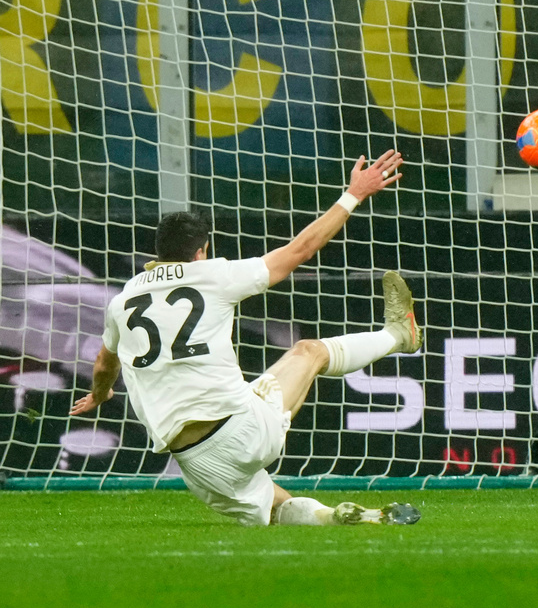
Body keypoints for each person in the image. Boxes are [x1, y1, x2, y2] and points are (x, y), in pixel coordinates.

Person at [71, 150, 424, 526]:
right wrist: (353, 194)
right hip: (244, 429)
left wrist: (99, 394)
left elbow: (103, 364)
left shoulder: (122, 300)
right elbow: (300, 249)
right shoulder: (215, 275)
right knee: (309, 351)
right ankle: (399, 334)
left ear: (158, 252)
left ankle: (339, 518)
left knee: (273, 508)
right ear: (201, 251)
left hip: (195, 462)